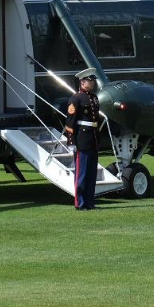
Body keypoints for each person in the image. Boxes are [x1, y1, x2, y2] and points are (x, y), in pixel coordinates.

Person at [64, 69, 101, 211]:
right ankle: (80, 203)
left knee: (92, 174)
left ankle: (90, 201)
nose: (92, 83)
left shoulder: (94, 98)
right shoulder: (76, 98)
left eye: (93, 81)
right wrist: (71, 141)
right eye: (90, 81)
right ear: (82, 82)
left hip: (93, 138)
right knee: (82, 173)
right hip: (82, 138)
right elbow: (70, 121)